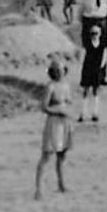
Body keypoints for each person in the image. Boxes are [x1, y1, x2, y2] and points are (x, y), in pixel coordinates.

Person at [35, 60, 74, 199]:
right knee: (46, 155)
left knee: (62, 154)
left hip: (65, 122)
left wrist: (67, 110)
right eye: (56, 70)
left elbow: (69, 101)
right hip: (54, 122)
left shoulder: (66, 85)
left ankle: (61, 184)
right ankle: (39, 189)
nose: (59, 72)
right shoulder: (50, 87)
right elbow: (43, 106)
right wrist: (56, 111)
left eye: (61, 69)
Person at [78, 19, 107, 123]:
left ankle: (95, 113)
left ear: (99, 34)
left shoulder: (103, 47)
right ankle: (83, 113)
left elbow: (104, 59)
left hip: (96, 70)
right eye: (92, 33)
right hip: (87, 69)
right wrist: (85, 67)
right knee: (85, 91)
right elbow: (81, 57)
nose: (94, 35)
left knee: (96, 91)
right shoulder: (86, 45)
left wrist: (99, 68)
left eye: (96, 33)